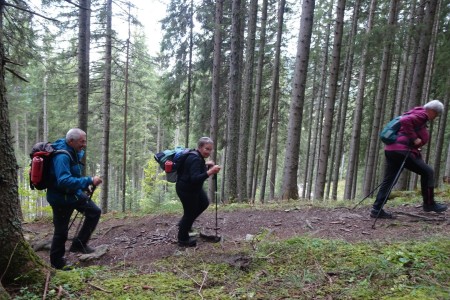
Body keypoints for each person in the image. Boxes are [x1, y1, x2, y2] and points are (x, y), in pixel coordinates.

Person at [371, 100, 448, 219]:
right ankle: (429, 204)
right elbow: (405, 121)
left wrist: (415, 144)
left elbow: (405, 127)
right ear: (432, 111)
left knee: (389, 180)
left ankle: (377, 209)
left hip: (391, 150)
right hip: (402, 151)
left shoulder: (415, 113)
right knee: (428, 172)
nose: (435, 117)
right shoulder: (423, 115)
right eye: (437, 114)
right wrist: (414, 139)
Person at [47, 128, 103, 269]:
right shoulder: (62, 156)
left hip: (73, 194)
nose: (84, 144)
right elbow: (63, 180)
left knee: (94, 212)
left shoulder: (73, 152)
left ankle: (79, 244)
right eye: (81, 141)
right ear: (71, 141)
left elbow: (73, 175)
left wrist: (84, 186)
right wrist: (89, 180)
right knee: (61, 231)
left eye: (85, 141)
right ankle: (57, 262)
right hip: (61, 198)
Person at [176, 137, 221, 247]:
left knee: (204, 203)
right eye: (207, 149)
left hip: (193, 188)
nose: (209, 152)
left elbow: (194, 171)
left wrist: (206, 166)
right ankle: (182, 239)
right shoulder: (195, 158)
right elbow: (195, 178)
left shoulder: (198, 156)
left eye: (210, 150)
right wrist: (210, 171)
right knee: (189, 213)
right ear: (200, 147)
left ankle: (184, 223)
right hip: (186, 190)